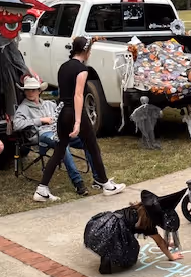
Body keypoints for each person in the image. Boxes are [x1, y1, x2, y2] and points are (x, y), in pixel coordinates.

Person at [33, 36, 125, 202]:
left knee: (60, 149)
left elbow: (64, 93)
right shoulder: (82, 69)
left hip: (61, 111)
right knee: (93, 147)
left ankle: (42, 189)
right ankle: (105, 183)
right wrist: (77, 121)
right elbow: (78, 95)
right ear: (85, 51)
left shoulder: (63, 67)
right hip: (74, 112)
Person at [13, 76, 100, 196]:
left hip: (60, 131)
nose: (30, 92)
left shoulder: (49, 104)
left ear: (39, 91)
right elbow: (16, 125)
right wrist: (41, 120)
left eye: (33, 90)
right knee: (62, 145)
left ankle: (98, 178)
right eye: (27, 90)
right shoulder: (24, 108)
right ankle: (78, 183)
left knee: (88, 141)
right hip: (43, 134)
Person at [84, 190, 183, 274]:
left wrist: (167, 243)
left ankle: (107, 253)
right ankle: (109, 258)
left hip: (100, 226)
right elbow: (160, 242)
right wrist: (171, 256)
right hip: (110, 232)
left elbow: (161, 241)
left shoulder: (138, 208)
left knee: (118, 237)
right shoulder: (147, 225)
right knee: (130, 249)